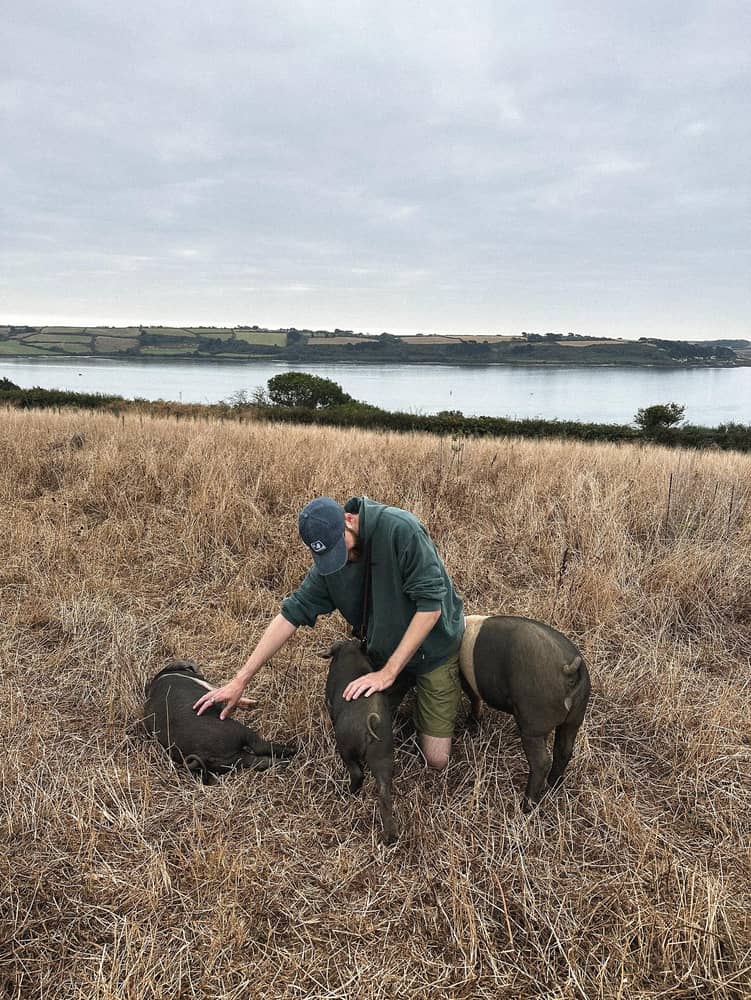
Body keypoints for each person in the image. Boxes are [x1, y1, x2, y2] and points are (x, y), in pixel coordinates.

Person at [194, 496, 465, 769]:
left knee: (437, 760)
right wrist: (240, 680)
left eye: (339, 548)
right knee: (354, 731)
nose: (340, 560)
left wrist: (388, 673)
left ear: (348, 520)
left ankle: (461, 661)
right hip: (384, 651)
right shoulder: (331, 566)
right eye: (329, 556)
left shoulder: (401, 529)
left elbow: (430, 609)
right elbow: (290, 614)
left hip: (433, 652)